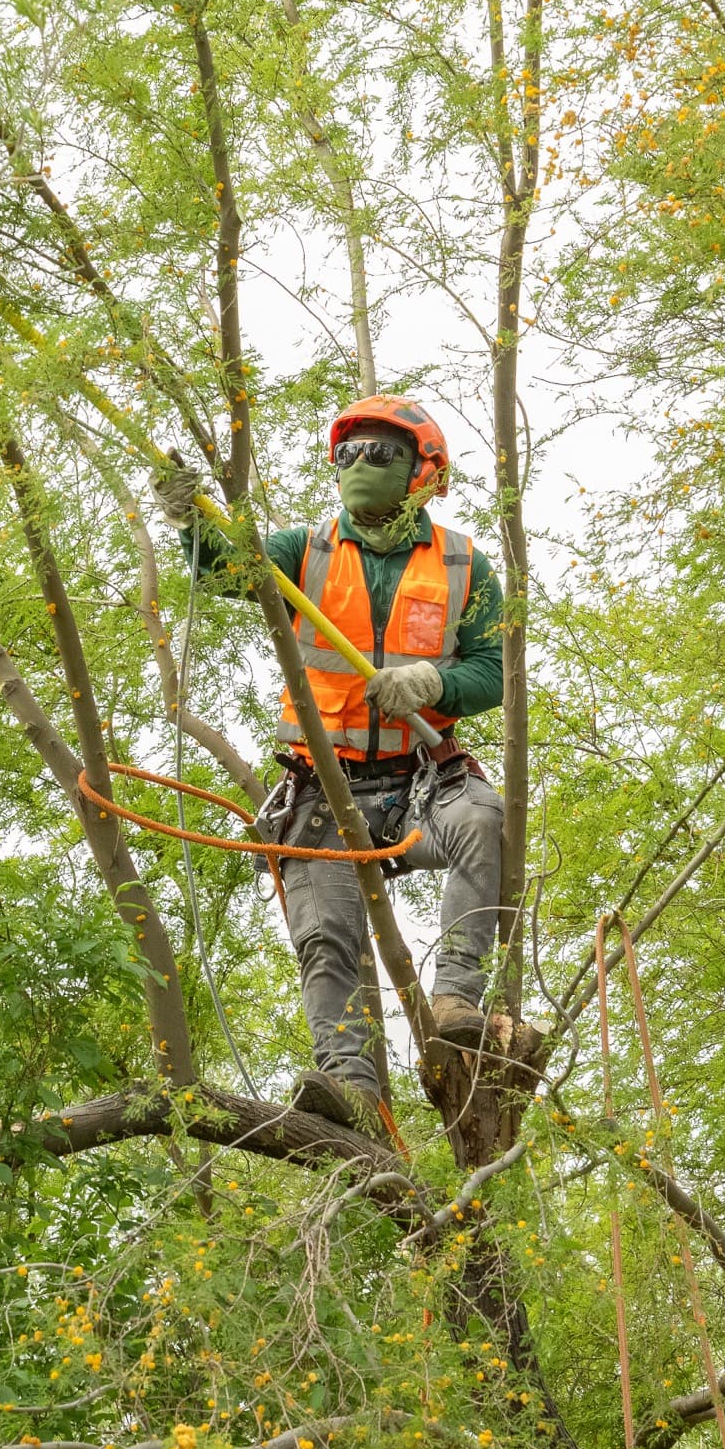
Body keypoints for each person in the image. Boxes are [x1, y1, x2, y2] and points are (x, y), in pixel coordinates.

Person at [152, 396, 505, 1141]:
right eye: (347, 455)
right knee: (324, 938)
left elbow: (491, 673)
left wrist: (436, 684)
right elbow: (227, 570)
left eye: (379, 455)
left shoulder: (466, 566)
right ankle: (352, 1093)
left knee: (481, 820)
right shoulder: (300, 553)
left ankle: (457, 1003)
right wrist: (192, 523)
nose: (358, 467)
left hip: (420, 783)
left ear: (423, 474)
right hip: (326, 786)